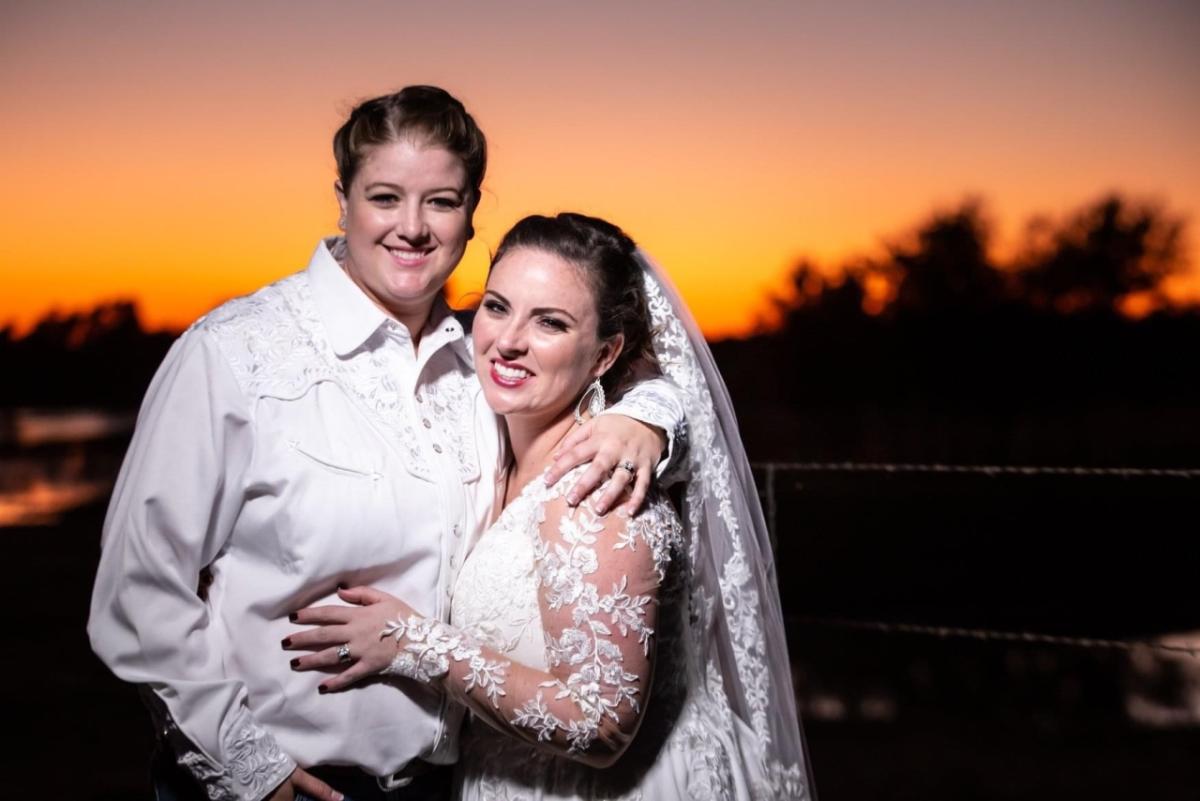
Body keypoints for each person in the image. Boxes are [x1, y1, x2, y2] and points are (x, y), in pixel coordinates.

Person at [87, 87, 686, 801]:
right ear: (341, 200)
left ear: (470, 212)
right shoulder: (234, 355)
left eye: (441, 200)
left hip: (439, 786)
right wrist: (248, 767)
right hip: (280, 785)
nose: (412, 227)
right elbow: (138, 590)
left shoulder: (480, 367)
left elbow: (608, 374)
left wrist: (650, 415)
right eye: (384, 197)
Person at [285, 214, 815, 800]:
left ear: (604, 354)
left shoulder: (598, 493)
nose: (508, 340)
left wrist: (412, 643)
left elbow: (602, 722)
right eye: (496, 307)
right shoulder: (486, 434)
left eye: (550, 323)